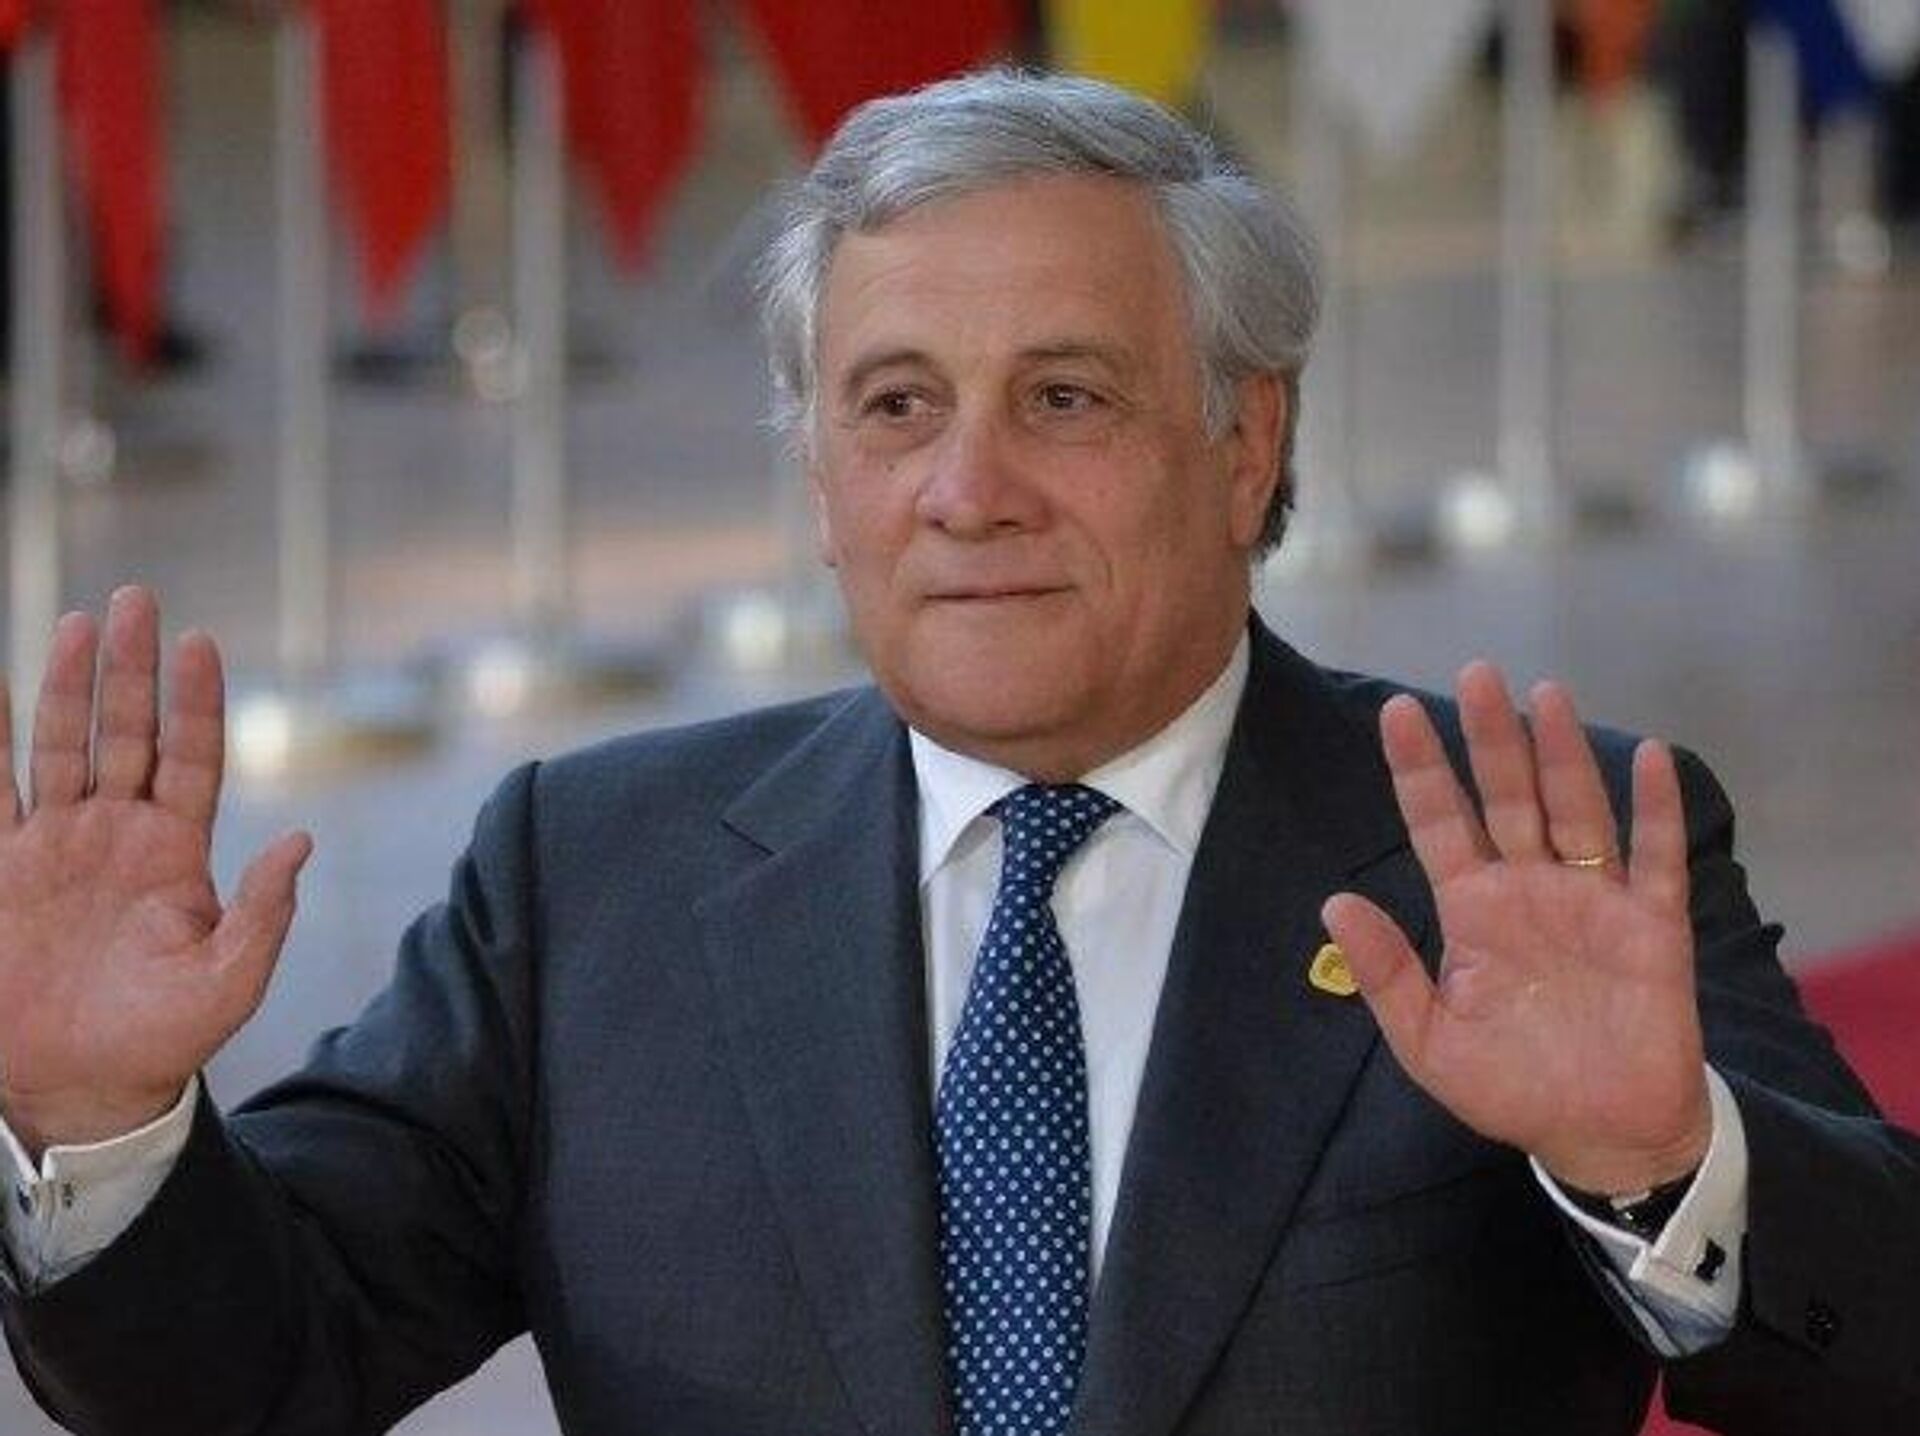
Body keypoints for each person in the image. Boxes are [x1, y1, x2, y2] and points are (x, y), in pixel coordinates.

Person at [1, 69, 1915, 1436]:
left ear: (1246, 445)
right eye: (896, 406)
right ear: (821, 479)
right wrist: (99, 1131)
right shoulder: (590, 879)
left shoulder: (1516, 859)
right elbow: (245, 1372)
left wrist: (1662, 1160)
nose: (967, 490)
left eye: (1064, 398)